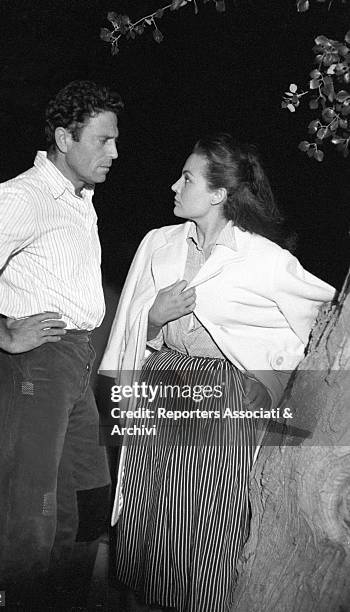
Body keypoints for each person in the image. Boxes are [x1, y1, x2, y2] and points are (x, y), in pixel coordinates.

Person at [99, 133, 336, 612]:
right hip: (158, 386)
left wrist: (265, 381)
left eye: (187, 177)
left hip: (221, 397)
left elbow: (321, 319)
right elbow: (128, 323)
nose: (174, 185)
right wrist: (154, 317)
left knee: (204, 519)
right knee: (147, 511)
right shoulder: (157, 244)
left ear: (219, 194)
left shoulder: (263, 259)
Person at [0, 79, 123, 608]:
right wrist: (5, 333)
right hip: (34, 366)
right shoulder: (26, 195)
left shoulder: (78, 199)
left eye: (115, 140)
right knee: (28, 511)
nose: (114, 152)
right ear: (64, 139)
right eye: (103, 140)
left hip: (71, 364)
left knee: (87, 500)